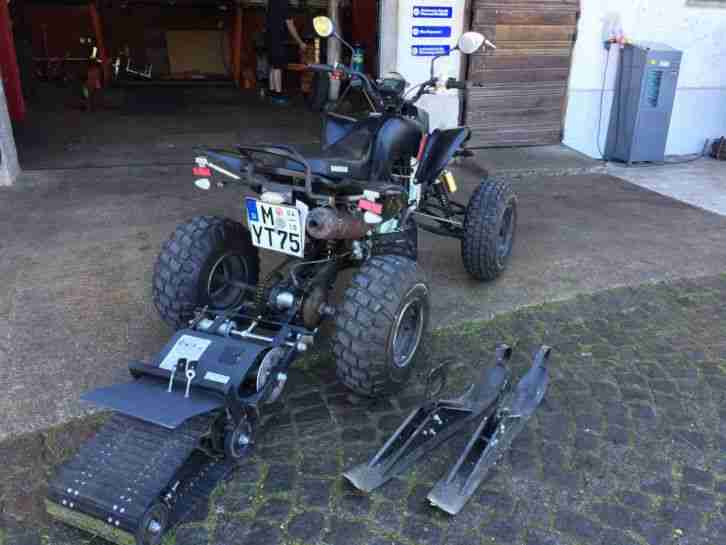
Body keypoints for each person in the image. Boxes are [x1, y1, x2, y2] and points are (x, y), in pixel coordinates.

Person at [265, 0, 306, 103]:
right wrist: (300, 42)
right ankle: (278, 95)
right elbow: (290, 24)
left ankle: (272, 92)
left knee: (273, 65)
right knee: (278, 66)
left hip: (269, 37)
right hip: (277, 38)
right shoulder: (285, 3)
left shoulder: (272, 2)